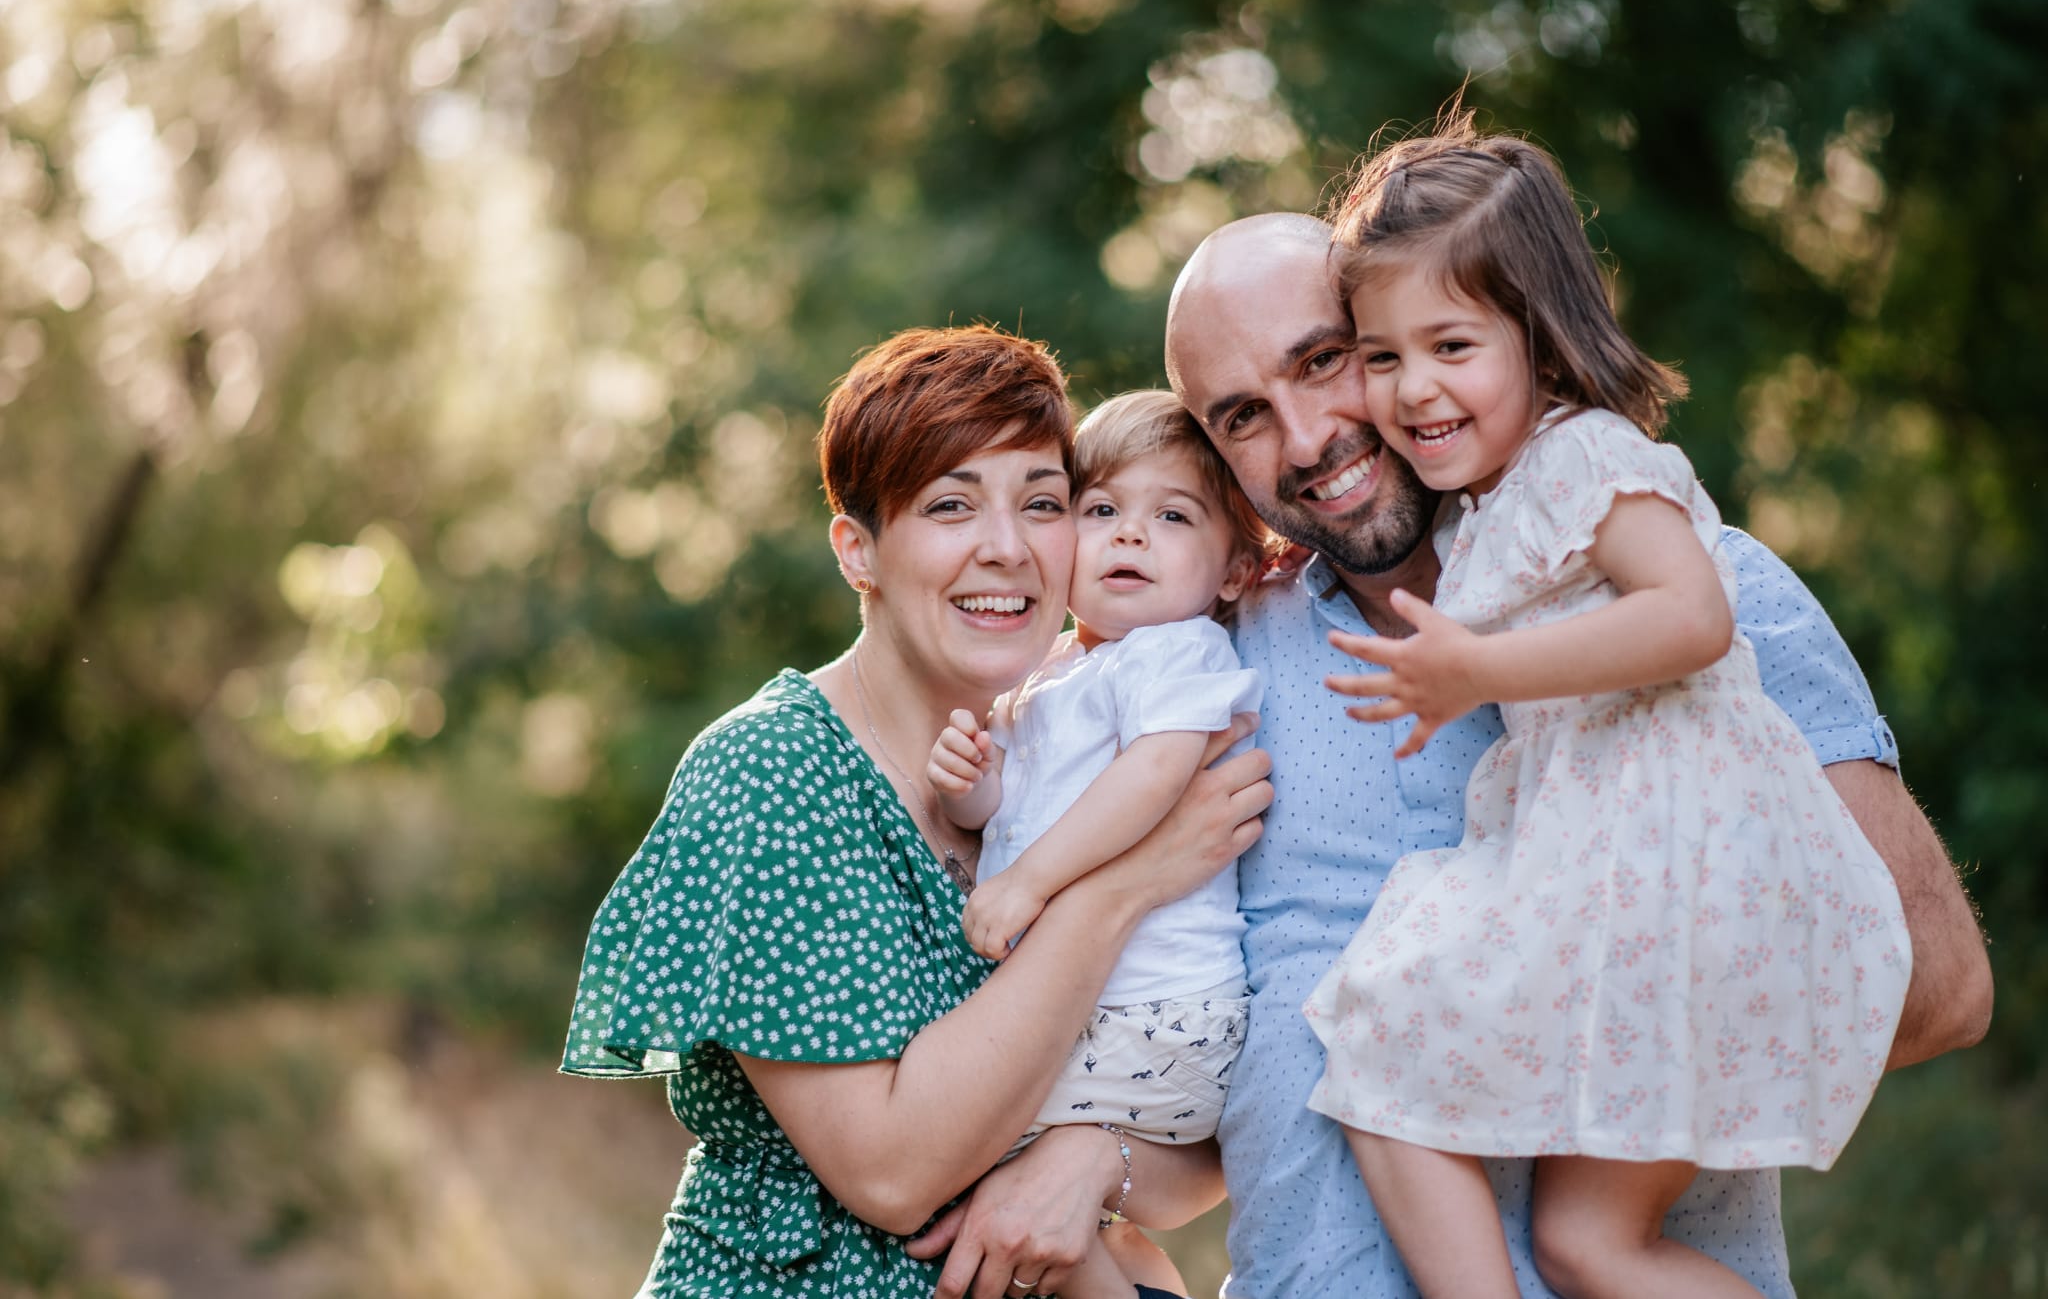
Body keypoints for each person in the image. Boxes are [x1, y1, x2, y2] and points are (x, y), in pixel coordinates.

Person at [1150, 209, 1993, 1298]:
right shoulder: (1207, 666)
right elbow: (1185, 1040)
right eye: (1243, 417)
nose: (1307, 436)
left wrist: (1560, 1011)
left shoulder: (1682, 579)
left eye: (1326, 361)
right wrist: (1099, 1162)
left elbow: (1936, 988)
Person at [1296, 116, 1910, 1299]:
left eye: (1450, 344)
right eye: (1379, 355)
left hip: (1680, 872)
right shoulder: (1492, 499)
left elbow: (1691, 618)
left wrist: (1473, 668)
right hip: (1633, 877)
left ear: (1539, 336)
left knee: (1379, 1027)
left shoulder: (1584, 457)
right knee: (1586, 1246)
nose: (1412, 385)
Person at [559, 325, 1273, 1299]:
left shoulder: (1050, 749)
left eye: (1042, 502)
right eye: (949, 505)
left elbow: (1206, 1144)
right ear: (858, 549)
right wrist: (1128, 885)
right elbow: (892, 1172)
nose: (1007, 547)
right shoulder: (775, 773)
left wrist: (1091, 1156)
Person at [924, 392, 1272, 1299]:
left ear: (1235, 570)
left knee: (957, 1145)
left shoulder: (1176, 651)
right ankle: (1134, 1275)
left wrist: (1028, 883)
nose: (1129, 536)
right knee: (985, 1160)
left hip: (1158, 1014)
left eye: (1172, 516)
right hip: (1102, 1009)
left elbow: (1157, 776)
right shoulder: (1059, 671)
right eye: (1102, 510)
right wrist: (970, 780)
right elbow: (1011, 805)